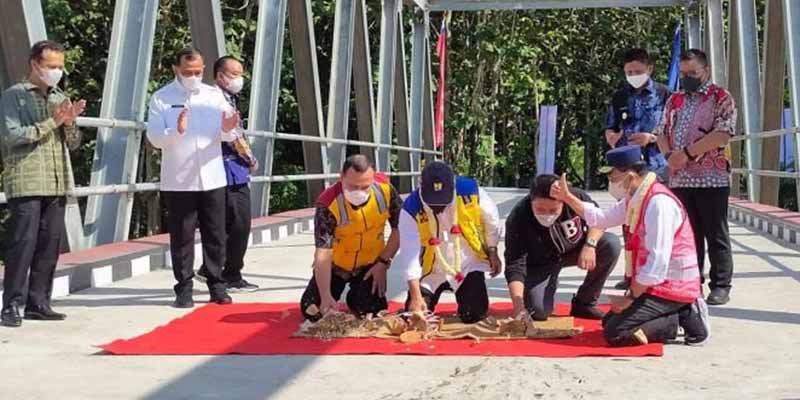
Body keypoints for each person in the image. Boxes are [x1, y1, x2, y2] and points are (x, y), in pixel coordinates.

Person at [551, 145, 710, 346]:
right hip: (654, 284)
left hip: (672, 286)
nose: (610, 180)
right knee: (609, 321)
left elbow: (657, 261)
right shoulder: (636, 198)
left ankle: (680, 315)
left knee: (616, 333)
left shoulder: (658, 204)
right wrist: (568, 198)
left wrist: (631, 296)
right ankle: (674, 312)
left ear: (630, 174)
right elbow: (601, 219)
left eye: (613, 174)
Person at [146, 47, 241, 308]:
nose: (193, 76)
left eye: (198, 72)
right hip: (179, 180)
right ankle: (183, 288)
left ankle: (216, 284)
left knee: (216, 233)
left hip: (212, 177)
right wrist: (176, 131)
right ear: (176, 69)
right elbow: (154, 137)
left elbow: (228, 134)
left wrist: (229, 130)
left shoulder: (213, 96)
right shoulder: (162, 98)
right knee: (182, 236)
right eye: (188, 72)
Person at [1, 40, 86, 327]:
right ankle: (11, 304)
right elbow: (12, 137)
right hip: (26, 181)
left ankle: (39, 302)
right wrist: (52, 122)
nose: (56, 71)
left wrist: (70, 122)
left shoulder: (59, 97)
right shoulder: (13, 96)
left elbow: (73, 144)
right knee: (22, 243)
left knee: (50, 244)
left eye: (60, 66)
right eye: (51, 66)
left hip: (57, 179)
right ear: (35, 64)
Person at [654, 49, 738, 306]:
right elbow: (661, 131)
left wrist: (687, 154)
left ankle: (721, 285)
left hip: (712, 178)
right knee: (688, 236)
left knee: (716, 234)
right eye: (684, 73)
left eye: (694, 73)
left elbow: (723, 134)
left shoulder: (721, 97)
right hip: (680, 179)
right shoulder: (675, 100)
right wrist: (669, 155)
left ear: (706, 71)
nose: (688, 78)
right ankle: (691, 282)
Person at [396, 161, 502, 324]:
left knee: (473, 314)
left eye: (443, 201)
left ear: (453, 186)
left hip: (466, 264)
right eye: (433, 202)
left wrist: (493, 250)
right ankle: (417, 301)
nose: (439, 208)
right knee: (415, 319)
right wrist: (416, 296)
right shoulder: (410, 208)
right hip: (430, 270)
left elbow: (492, 221)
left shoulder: (471, 192)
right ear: (420, 187)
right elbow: (410, 253)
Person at [504, 174, 620, 322]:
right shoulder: (518, 216)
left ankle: (585, 303)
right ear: (531, 201)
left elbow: (599, 220)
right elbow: (515, 266)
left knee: (610, 244)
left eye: (553, 210)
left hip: (574, 250)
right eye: (540, 209)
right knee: (538, 312)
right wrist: (519, 307)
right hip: (540, 263)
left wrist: (590, 245)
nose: (547, 215)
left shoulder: (576, 198)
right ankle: (547, 285)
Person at [300, 155, 403, 321]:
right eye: (353, 187)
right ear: (341, 177)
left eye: (365, 187)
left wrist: (383, 263)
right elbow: (323, 253)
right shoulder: (328, 204)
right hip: (336, 266)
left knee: (370, 310)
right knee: (312, 310)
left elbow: (400, 229)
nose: (359, 192)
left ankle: (355, 299)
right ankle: (330, 296)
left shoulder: (385, 191)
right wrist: (325, 295)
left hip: (369, 266)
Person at [605, 48, 672, 290]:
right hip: (627, 168)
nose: (633, 75)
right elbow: (610, 126)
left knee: (655, 222)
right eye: (629, 72)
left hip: (657, 165)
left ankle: (657, 273)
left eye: (638, 71)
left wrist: (652, 137)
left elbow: (674, 129)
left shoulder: (666, 94)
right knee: (629, 221)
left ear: (650, 69)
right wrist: (611, 136)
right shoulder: (619, 96)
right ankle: (630, 273)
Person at [195, 56, 259, 292]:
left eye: (240, 74)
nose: (238, 79)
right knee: (238, 223)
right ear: (219, 75)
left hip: (231, 170)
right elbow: (233, 137)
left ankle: (214, 268)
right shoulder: (216, 100)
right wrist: (251, 160)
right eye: (233, 74)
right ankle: (228, 273)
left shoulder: (226, 98)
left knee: (227, 223)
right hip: (227, 169)